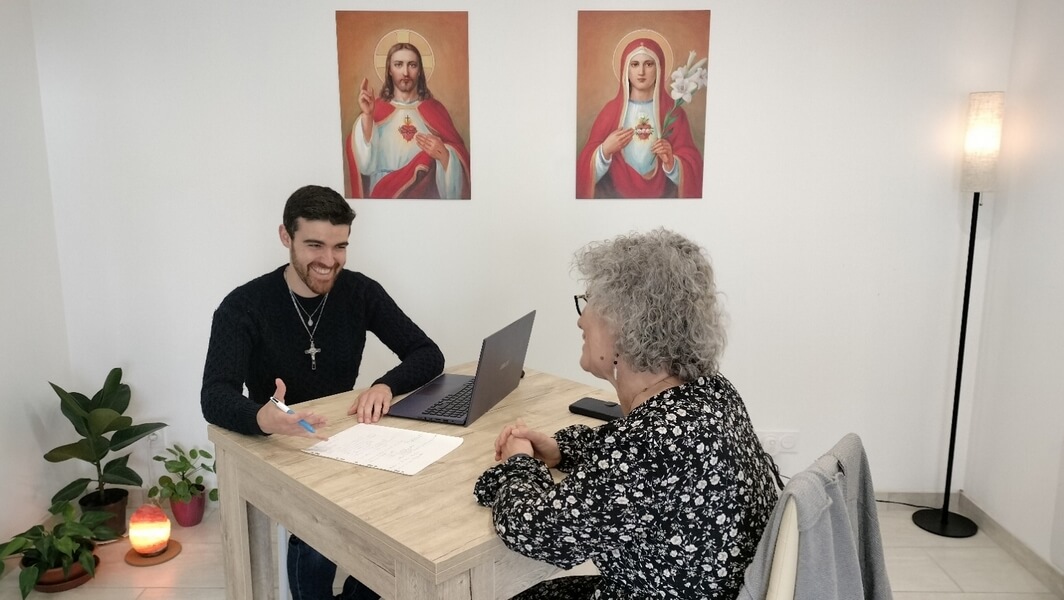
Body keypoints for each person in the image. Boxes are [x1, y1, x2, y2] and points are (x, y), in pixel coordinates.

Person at [473, 228, 778, 599]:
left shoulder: (654, 441)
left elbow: (538, 533)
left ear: (625, 326)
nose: (581, 320)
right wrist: (560, 449)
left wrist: (519, 462)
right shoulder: (710, 391)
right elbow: (626, 450)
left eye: (590, 302)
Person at [201, 184, 444, 600]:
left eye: (340, 247)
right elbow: (214, 393)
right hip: (283, 445)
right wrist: (261, 417)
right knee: (313, 537)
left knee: (400, 523)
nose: (329, 261)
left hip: (346, 434)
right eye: (314, 245)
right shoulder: (243, 305)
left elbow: (427, 353)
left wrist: (385, 384)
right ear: (285, 237)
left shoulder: (360, 291)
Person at [576, 38, 704, 199]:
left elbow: (693, 167)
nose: (641, 72)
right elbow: (584, 169)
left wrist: (671, 163)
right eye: (634, 64)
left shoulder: (674, 113)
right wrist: (605, 150)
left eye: (649, 64)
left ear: (659, 69)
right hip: (615, 197)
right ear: (625, 69)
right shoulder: (611, 111)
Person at [346, 42, 471, 199]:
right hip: (384, 196)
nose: (405, 72)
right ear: (389, 70)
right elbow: (365, 165)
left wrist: (445, 156)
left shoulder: (434, 110)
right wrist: (367, 116)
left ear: (419, 71)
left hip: (425, 197)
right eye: (398, 65)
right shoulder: (375, 110)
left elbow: (460, 158)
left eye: (412, 65)